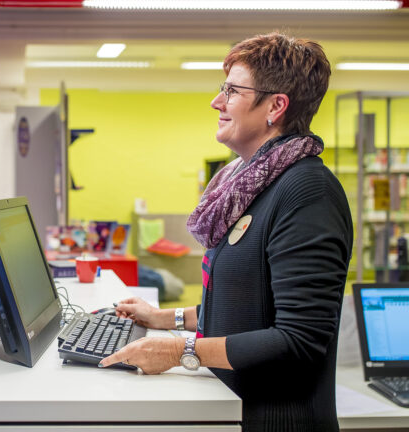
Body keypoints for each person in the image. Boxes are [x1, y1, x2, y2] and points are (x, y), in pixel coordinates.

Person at [101, 32, 353, 431]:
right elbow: (250, 306)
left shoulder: (306, 192)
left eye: (232, 91)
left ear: (275, 106)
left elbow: (299, 340)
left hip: (277, 421)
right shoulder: (248, 186)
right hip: (232, 409)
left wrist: (178, 350)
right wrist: (165, 318)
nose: (217, 102)